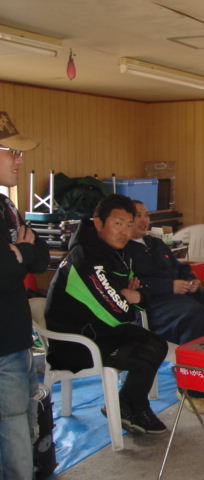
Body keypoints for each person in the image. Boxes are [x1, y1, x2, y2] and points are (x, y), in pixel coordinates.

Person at [45, 194, 168, 435]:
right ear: (98, 223)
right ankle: (132, 407)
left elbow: (139, 296)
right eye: (118, 223)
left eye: (129, 225)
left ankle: (129, 404)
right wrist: (132, 299)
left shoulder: (117, 253)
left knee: (157, 343)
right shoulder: (86, 258)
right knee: (142, 357)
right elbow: (120, 313)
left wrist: (136, 297)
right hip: (75, 343)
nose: (125, 232)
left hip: (100, 330)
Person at [124, 200, 204, 413]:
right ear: (126, 219)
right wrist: (169, 286)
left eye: (146, 215)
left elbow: (180, 267)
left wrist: (191, 280)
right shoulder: (123, 249)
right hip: (155, 306)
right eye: (138, 215)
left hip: (186, 297)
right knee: (196, 316)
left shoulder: (155, 243)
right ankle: (190, 391)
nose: (144, 220)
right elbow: (133, 284)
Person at [0, 112, 49, 480]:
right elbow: (5, 272)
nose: (20, 161)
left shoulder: (7, 207)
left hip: (14, 338)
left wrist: (23, 253)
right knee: (14, 429)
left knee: (21, 422)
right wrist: (20, 255)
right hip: (4, 344)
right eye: (12, 152)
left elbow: (41, 256)